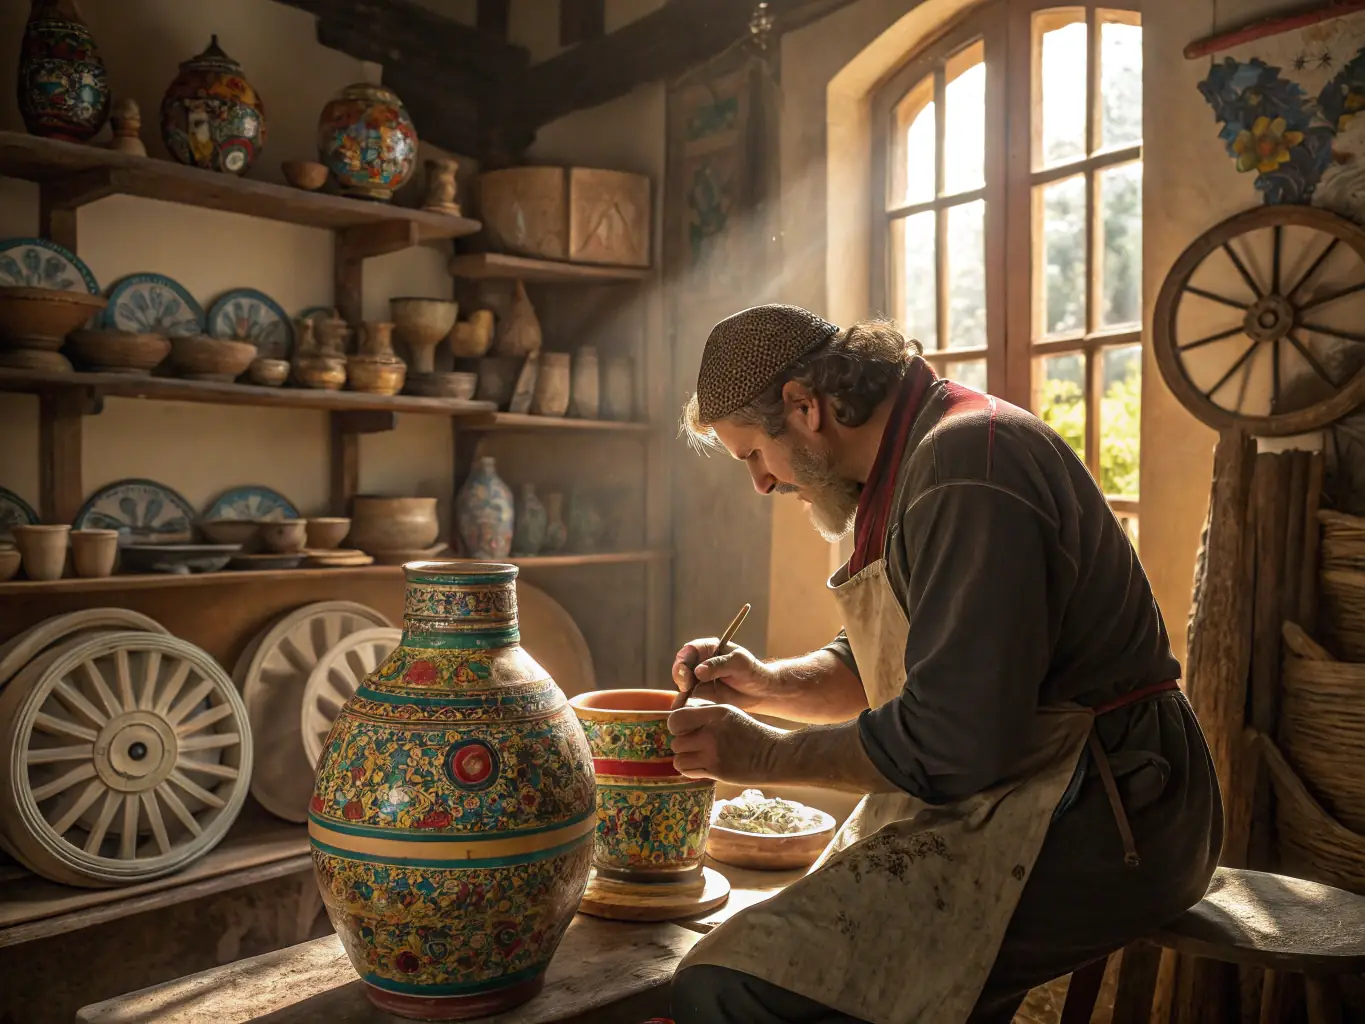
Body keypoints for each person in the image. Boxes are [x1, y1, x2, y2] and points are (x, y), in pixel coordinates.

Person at [663, 304, 1223, 1024]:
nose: (761, 484)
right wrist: (765, 685)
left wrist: (763, 757)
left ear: (804, 406)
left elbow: (953, 736)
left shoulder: (965, 464)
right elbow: (887, 670)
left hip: (1111, 812)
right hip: (1031, 788)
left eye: (751, 455)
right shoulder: (903, 468)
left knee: (734, 983)